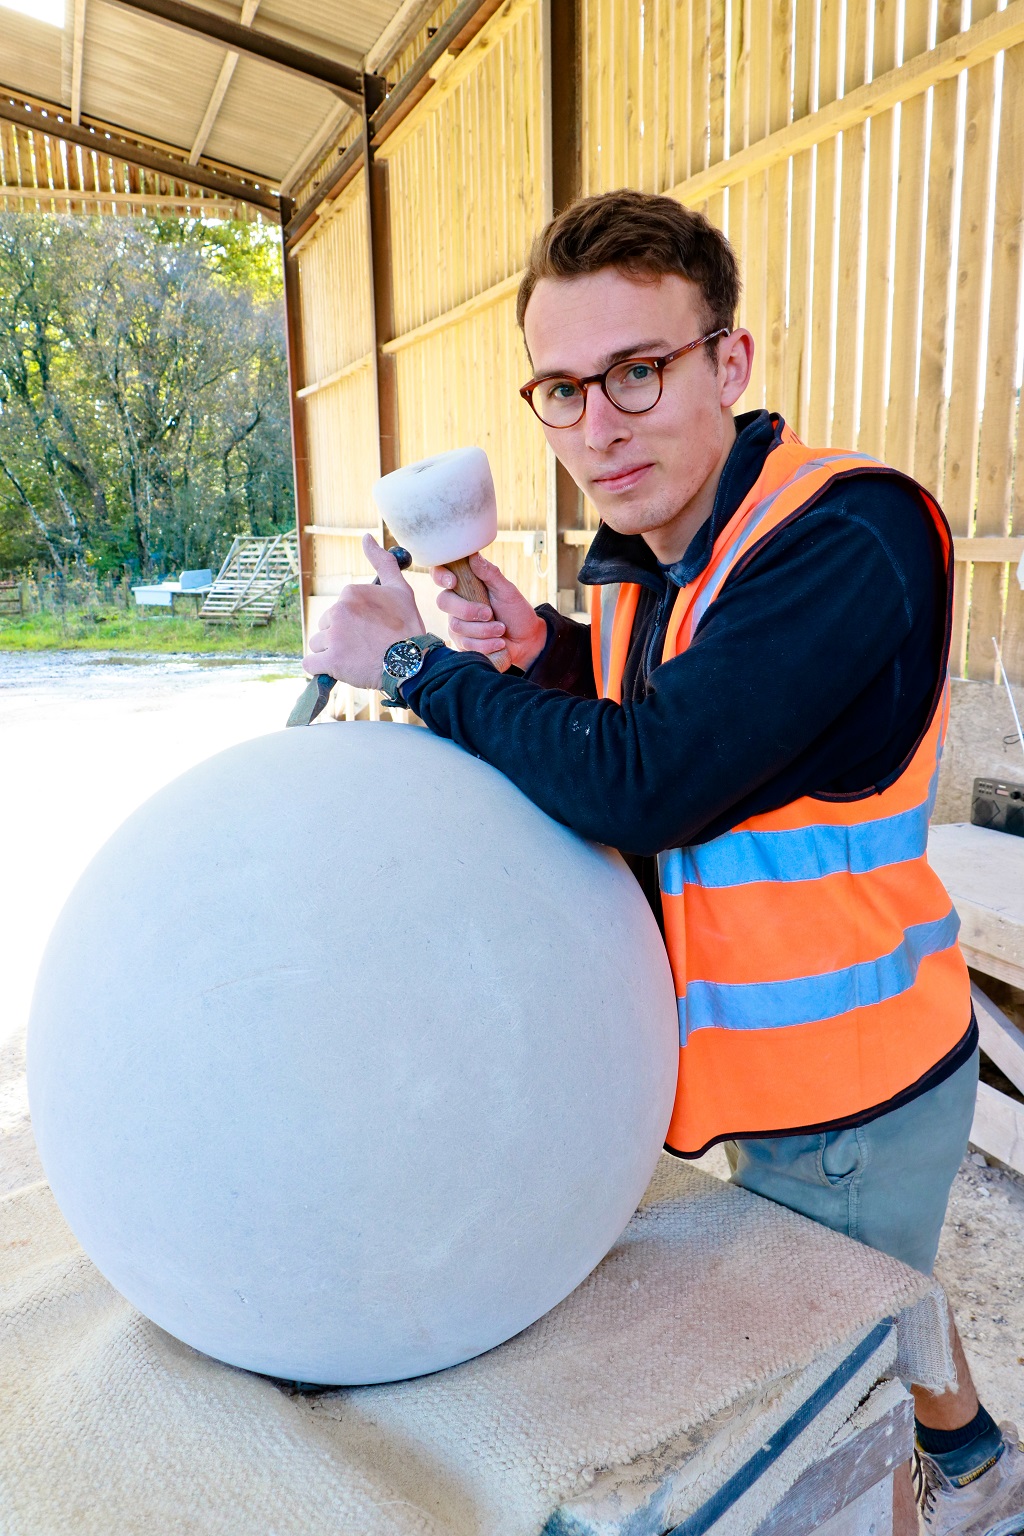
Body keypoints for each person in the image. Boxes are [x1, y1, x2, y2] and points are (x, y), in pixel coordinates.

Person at [304, 189, 1024, 1536]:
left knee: (825, 1421)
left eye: (638, 370)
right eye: (562, 391)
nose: (600, 425)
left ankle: (944, 1496)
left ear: (729, 362)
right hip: (790, 1067)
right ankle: (980, 1456)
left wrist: (411, 667)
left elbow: (656, 782)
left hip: (848, 1089)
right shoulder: (663, 546)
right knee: (890, 1292)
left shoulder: (837, 540)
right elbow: (679, 719)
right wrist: (543, 654)